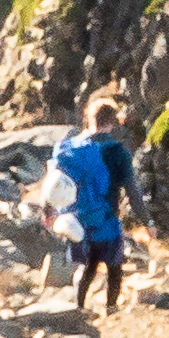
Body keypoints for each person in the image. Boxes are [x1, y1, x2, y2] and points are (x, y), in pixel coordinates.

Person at [50, 91, 139, 324]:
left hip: (77, 221)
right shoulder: (117, 152)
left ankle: (78, 307)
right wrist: (146, 221)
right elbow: (132, 191)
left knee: (88, 266)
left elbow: (54, 184)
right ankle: (111, 308)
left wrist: (48, 212)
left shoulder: (68, 148)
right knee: (114, 267)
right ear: (113, 122)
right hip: (106, 221)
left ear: (89, 119)